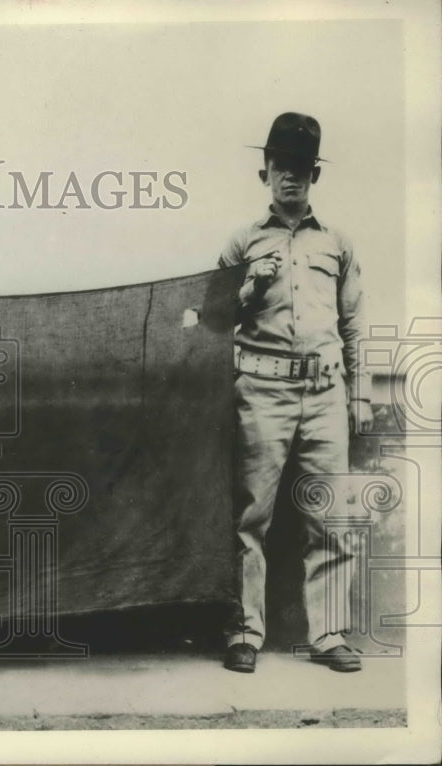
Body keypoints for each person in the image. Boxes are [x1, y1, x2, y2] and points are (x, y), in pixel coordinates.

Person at [217, 112, 373, 674]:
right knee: (249, 516)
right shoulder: (242, 241)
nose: (291, 177)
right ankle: (244, 632)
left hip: (328, 392)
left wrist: (360, 394)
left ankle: (328, 634)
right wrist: (249, 287)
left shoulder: (337, 243)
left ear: (314, 176)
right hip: (260, 390)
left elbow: (354, 323)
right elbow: (213, 321)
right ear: (265, 172)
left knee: (330, 517)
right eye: (281, 166)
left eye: (302, 168)